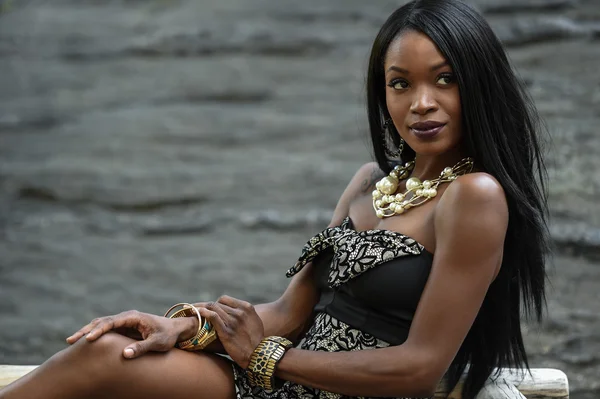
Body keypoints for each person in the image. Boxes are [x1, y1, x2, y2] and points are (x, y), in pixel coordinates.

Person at [0, 0, 550, 398]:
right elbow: (289, 312)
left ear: (478, 84)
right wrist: (183, 325)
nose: (420, 103)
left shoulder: (473, 196)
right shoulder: (370, 181)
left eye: (445, 79)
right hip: (278, 374)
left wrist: (267, 359)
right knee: (110, 347)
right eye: (400, 83)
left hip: (334, 388)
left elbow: (418, 368)